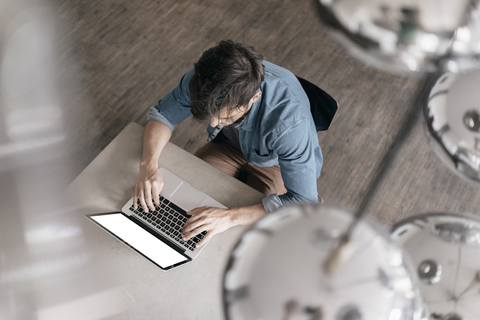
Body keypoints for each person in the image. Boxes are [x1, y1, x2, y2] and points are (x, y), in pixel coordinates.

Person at [133, 40, 323, 247]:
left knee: (245, 238)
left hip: (276, 162)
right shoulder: (205, 77)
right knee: (183, 203)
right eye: (211, 114)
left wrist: (229, 217)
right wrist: (148, 165)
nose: (213, 123)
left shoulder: (290, 124)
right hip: (229, 145)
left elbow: (303, 202)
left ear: (254, 97)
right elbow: (163, 114)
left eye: (225, 118)